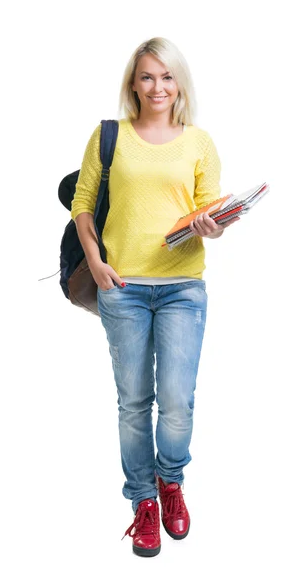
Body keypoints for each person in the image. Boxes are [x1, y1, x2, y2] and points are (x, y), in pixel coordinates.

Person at [70, 37, 239, 557]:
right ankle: (142, 500)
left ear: (179, 83)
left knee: (178, 404)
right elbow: (82, 204)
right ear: (133, 84)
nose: (158, 86)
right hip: (121, 288)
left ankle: (171, 483)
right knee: (133, 402)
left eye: (167, 77)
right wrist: (96, 263)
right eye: (147, 77)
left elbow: (208, 213)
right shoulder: (109, 136)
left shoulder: (199, 143)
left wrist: (213, 226)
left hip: (183, 289)